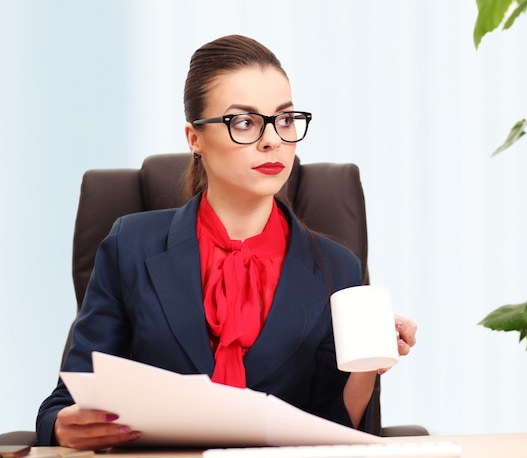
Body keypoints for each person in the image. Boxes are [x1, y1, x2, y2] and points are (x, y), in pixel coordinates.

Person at [36, 35, 417, 450]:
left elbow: (344, 433)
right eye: (244, 122)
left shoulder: (337, 267)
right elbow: (65, 402)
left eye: (285, 119)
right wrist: (62, 425)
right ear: (194, 139)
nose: (273, 140)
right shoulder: (130, 246)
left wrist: (370, 364)